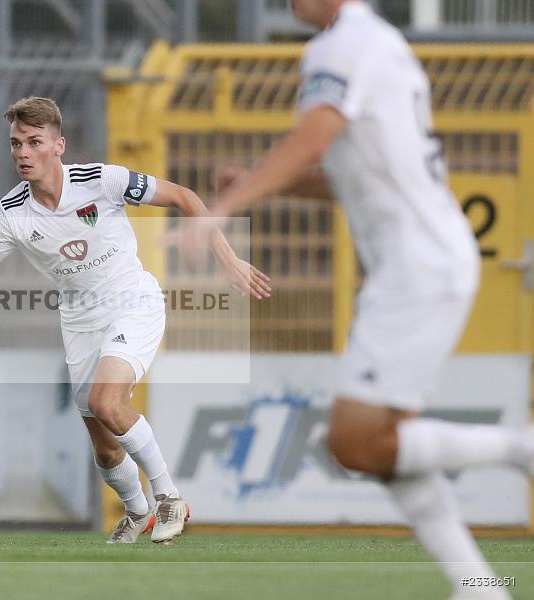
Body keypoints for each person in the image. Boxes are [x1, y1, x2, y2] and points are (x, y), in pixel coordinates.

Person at [186, 1, 529, 598]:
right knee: (386, 446)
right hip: (418, 262)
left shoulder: (342, 44)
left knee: (355, 441)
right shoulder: (376, 43)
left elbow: (314, 135)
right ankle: (477, 585)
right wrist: (261, 183)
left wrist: (221, 210)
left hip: (415, 267)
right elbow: (352, 174)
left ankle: (520, 448)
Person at [0, 96, 271, 544]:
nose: (23, 153)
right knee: (104, 446)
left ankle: (169, 498)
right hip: (79, 322)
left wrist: (230, 258)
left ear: (58, 145)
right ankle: (137, 510)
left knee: (107, 402)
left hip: (132, 301)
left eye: (34, 142)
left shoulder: (101, 181)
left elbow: (184, 197)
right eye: (15, 144)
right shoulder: (11, 214)